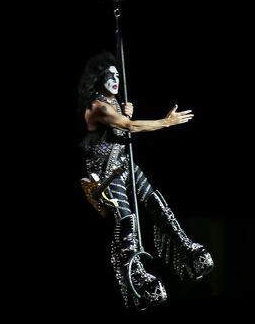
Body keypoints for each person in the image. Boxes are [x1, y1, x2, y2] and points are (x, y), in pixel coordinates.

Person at [78, 52, 213, 309]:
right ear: (98, 78)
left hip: (126, 165)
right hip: (107, 174)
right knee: (128, 223)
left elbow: (122, 121)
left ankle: (187, 251)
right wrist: (166, 122)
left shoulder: (113, 103)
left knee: (155, 203)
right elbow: (130, 127)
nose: (115, 79)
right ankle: (136, 278)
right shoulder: (97, 107)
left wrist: (125, 112)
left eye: (118, 75)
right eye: (110, 75)